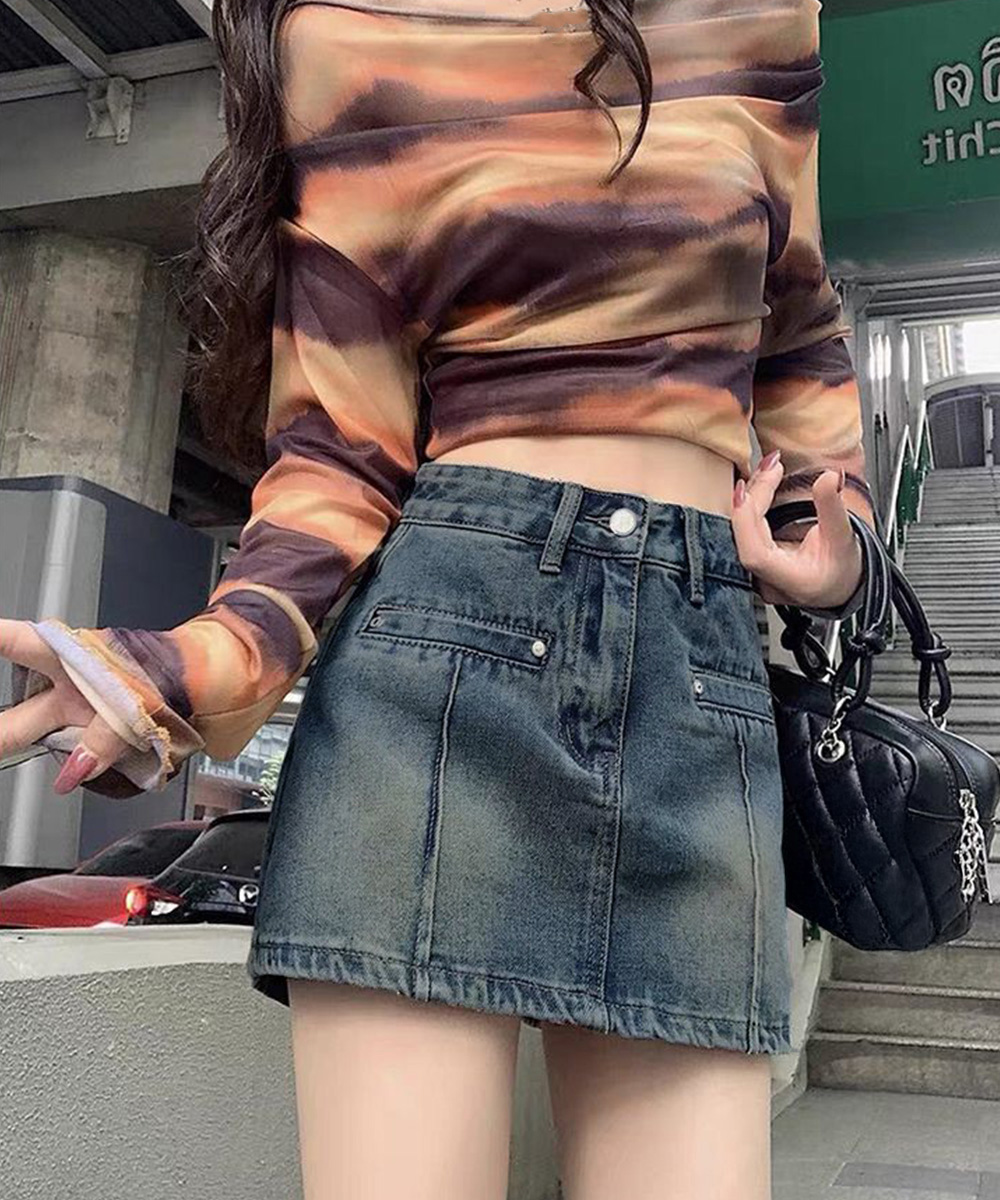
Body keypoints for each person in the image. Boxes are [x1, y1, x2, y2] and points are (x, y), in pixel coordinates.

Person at [0, 0, 873, 1195]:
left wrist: (835, 543)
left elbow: (802, 326)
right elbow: (337, 449)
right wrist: (185, 669)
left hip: (693, 673)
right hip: (437, 664)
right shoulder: (346, 35)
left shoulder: (756, 20)